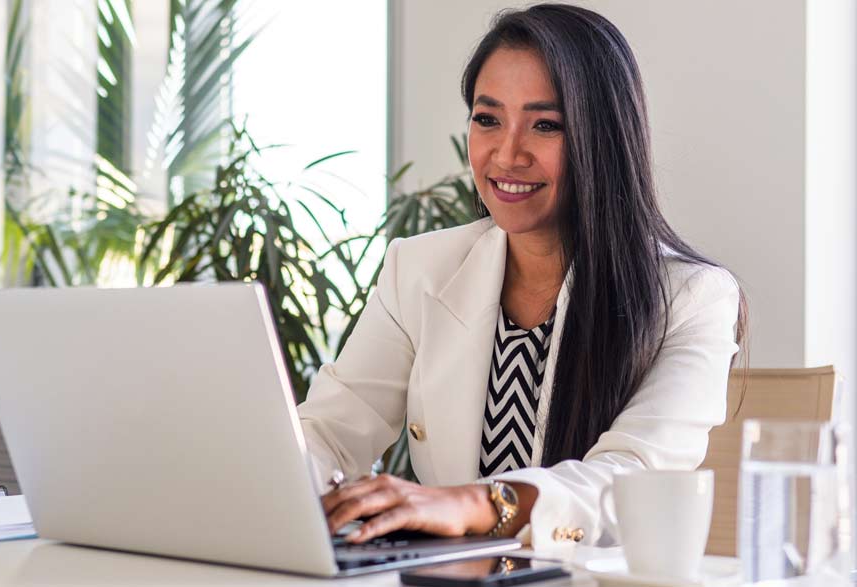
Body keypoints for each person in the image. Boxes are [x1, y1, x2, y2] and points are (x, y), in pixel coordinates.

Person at [298, 3, 743, 551]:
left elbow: (633, 478)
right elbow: (328, 432)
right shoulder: (418, 269)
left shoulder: (693, 298)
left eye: (546, 125)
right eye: (487, 119)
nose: (507, 155)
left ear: (602, 138)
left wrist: (476, 503)